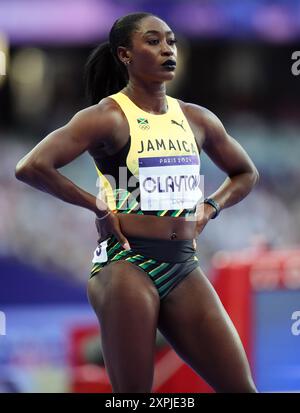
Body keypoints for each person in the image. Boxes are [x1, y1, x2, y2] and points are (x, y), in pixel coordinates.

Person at [15, 12, 259, 393]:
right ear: (125, 54)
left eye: (171, 41)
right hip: (127, 263)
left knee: (242, 387)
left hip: (182, 263)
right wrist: (99, 206)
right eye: (153, 41)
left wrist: (210, 208)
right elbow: (31, 166)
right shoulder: (107, 117)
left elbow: (245, 173)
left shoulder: (196, 119)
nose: (167, 49)